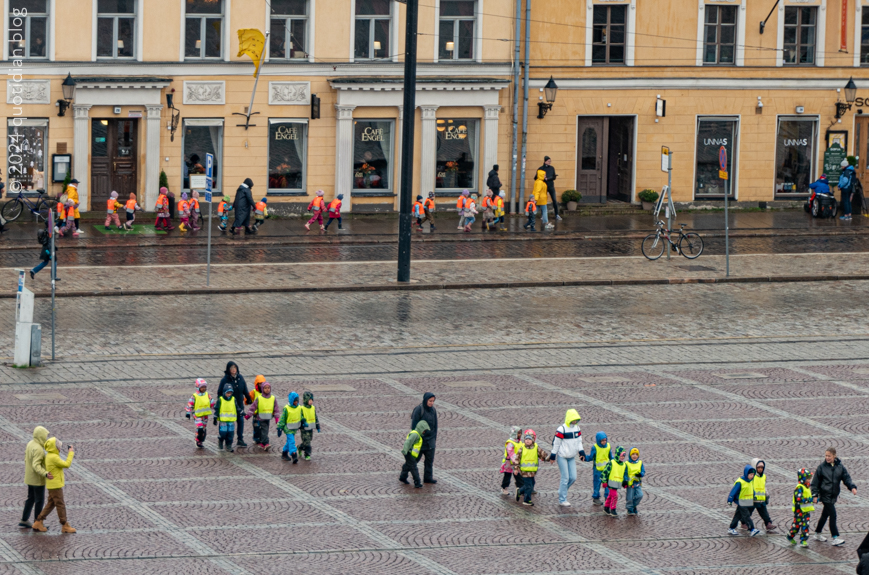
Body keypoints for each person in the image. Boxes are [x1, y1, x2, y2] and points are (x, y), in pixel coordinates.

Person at [811, 447, 857, 546]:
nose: (827, 458)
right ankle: (835, 537)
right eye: (826, 456)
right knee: (833, 514)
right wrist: (815, 495)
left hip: (833, 496)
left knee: (825, 515)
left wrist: (852, 487)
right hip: (825, 495)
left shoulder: (840, 467)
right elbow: (815, 483)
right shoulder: (821, 467)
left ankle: (817, 533)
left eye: (829, 456)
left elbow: (846, 478)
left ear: (834, 456)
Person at [31, 437, 75, 533]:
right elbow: (67, 464)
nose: (60, 448)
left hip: (52, 485)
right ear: (55, 447)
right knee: (60, 504)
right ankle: (64, 525)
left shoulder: (50, 456)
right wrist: (71, 453)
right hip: (55, 485)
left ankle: (38, 521)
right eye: (59, 447)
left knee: (51, 504)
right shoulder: (54, 457)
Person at [549, 409, 585, 507]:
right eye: (574, 419)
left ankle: (562, 491)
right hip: (562, 456)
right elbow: (556, 443)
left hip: (571, 456)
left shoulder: (577, 428)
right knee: (565, 478)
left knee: (573, 477)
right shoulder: (562, 429)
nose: (576, 421)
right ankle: (562, 499)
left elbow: (579, 441)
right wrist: (553, 455)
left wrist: (581, 452)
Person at [21, 426, 53, 529]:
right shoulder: (39, 449)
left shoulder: (30, 443)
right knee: (39, 501)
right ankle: (38, 522)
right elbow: (36, 465)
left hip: (29, 478)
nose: (46, 438)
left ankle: (24, 520)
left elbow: (26, 459)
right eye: (45, 436)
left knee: (30, 498)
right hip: (37, 480)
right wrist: (45, 473)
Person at [512, 429, 551, 506]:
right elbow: (517, 459)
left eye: (529, 439)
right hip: (524, 471)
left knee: (530, 484)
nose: (527, 441)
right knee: (529, 486)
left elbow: (542, 454)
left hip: (533, 471)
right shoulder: (522, 448)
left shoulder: (536, 447)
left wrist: (548, 458)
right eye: (526, 439)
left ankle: (520, 491)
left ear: (533, 440)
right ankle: (527, 500)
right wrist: (516, 468)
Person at [216, 361, 250, 448]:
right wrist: (221, 402)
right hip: (228, 408)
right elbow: (219, 392)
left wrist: (248, 397)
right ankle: (223, 439)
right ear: (228, 369)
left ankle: (240, 439)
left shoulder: (240, 378)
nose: (233, 370)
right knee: (226, 427)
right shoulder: (225, 380)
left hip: (239, 404)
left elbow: (245, 389)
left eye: (235, 368)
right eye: (231, 368)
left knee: (240, 421)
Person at [411, 392, 438, 484]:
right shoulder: (419, 410)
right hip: (420, 441)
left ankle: (428, 477)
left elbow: (435, 426)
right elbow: (414, 425)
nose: (431, 403)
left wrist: (434, 438)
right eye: (430, 401)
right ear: (425, 400)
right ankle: (404, 473)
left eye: (433, 401)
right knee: (414, 460)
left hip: (430, 441)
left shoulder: (433, 410)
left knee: (429, 461)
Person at [727, 464, 760, 536]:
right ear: (746, 474)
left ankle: (731, 528)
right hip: (741, 501)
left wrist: (754, 496)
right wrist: (730, 499)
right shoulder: (740, 482)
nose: (752, 476)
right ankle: (752, 529)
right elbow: (734, 491)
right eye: (750, 474)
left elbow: (751, 489)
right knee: (746, 515)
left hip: (747, 501)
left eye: (753, 474)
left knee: (737, 516)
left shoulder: (750, 481)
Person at [246, 381, 278, 450]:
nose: (267, 389)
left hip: (267, 418)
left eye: (268, 388)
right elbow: (253, 407)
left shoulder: (273, 398)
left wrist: (276, 418)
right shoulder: (259, 398)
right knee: (262, 429)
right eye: (265, 388)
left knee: (264, 430)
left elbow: (276, 409)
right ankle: (264, 442)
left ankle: (263, 442)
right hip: (260, 417)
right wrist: (248, 415)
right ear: (262, 389)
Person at [787, 468, 814, 548]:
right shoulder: (799, 487)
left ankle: (803, 540)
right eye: (808, 479)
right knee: (796, 525)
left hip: (806, 510)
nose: (809, 480)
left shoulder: (807, 487)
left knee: (806, 525)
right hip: (799, 510)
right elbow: (799, 498)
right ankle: (790, 535)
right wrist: (809, 500)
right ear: (803, 479)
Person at [747, 457, 776, 531]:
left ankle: (768, 523)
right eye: (758, 467)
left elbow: (764, 486)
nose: (760, 469)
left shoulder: (763, 476)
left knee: (764, 512)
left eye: (762, 467)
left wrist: (767, 495)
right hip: (753, 499)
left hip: (761, 498)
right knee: (748, 512)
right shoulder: (752, 477)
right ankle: (744, 522)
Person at [400, 419, 430, 488]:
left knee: (408, 465)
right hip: (409, 453)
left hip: (410, 454)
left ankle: (403, 477)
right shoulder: (415, 435)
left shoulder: (417, 434)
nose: (424, 432)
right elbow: (408, 442)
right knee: (414, 468)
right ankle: (417, 482)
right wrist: (405, 450)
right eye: (424, 430)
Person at [186, 378, 214, 448]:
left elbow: (212, 403)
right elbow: (190, 404)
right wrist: (188, 412)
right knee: (200, 428)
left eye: (205, 387)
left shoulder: (207, 395)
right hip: (197, 415)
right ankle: (197, 439)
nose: (203, 388)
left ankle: (200, 440)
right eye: (202, 387)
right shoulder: (194, 396)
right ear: (198, 387)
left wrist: (216, 408)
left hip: (205, 415)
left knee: (203, 428)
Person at [278, 391, 304, 463]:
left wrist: (303, 421)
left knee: (289, 442)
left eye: (297, 401)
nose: (296, 402)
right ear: (291, 400)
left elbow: (300, 416)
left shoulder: (299, 407)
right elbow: (283, 419)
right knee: (292, 442)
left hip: (294, 428)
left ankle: (284, 453)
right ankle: (293, 454)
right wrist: (279, 427)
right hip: (288, 429)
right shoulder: (286, 408)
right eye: (295, 401)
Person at [588, 431, 613, 505]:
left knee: (607, 484)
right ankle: (596, 497)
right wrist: (585, 458)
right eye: (602, 440)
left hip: (606, 470)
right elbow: (591, 457)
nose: (604, 442)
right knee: (597, 484)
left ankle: (607, 498)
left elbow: (610, 456)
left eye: (605, 440)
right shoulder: (595, 447)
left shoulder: (608, 446)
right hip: (597, 470)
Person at [602, 446, 628, 516]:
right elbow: (605, 472)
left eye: (623, 456)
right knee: (615, 496)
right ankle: (613, 509)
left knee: (610, 496)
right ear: (617, 455)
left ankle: (606, 508)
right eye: (621, 456)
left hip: (617, 484)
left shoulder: (624, 465)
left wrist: (625, 482)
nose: (622, 457)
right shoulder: (612, 463)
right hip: (611, 483)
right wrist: (604, 481)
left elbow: (624, 474)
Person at [500, 426, 525, 495]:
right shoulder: (510, 443)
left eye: (520, 433)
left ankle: (521, 488)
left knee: (518, 475)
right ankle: (504, 487)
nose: (520, 434)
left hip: (516, 462)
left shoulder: (519, 442)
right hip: (509, 463)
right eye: (518, 433)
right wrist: (516, 461)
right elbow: (511, 453)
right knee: (507, 476)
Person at [215, 386, 237, 452]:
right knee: (223, 433)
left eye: (230, 393)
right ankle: (221, 440)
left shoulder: (233, 399)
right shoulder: (220, 399)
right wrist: (215, 416)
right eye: (227, 393)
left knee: (230, 433)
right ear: (224, 393)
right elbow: (217, 408)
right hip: (223, 420)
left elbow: (236, 407)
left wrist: (240, 411)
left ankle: (229, 445)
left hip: (231, 420)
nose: (229, 395)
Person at [300, 390, 320, 460]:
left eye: (312, 400)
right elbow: (300, 417)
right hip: (304, 428)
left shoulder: (313, 408)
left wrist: (317, 425)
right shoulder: (302, 408)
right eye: (309, 400)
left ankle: (300, 447)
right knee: (307, 442)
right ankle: (307, 454)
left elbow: (315, 417)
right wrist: (303, 422)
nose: (311, 401)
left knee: (308, 440)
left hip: (310, 427)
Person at [539, 156, 561, 221]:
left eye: (550, 161)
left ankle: (557, 214)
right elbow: (536, 177)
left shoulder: (552, 168)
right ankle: (543, 215)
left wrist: (548, 178)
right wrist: (543, 179)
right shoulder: (541, 168)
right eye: (548, 161)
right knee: (543, 201)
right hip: (544, 187)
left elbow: (554, 177)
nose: (549, 162)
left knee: (554, 200)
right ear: (545, 161)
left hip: (551, 186)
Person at [625, 447, 645, 516]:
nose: (634, 456)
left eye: (636, 454)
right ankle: (629, 509)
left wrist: (641, 474)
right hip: (630, 484)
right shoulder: (627, 463)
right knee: (629, 497)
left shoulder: (640, 463)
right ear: (630, 455)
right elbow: (625, 473)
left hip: (637, 483)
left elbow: (643, 471)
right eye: (633, 454)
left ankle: (633, 505)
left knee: (640, 495)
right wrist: (625, 480)